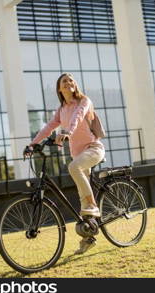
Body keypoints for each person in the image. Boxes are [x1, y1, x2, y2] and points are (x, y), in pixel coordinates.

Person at [27, 72, 105, 254]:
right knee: (81, 196)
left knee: (73, 169)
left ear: (75, 85)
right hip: (79, 156)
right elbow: (48, 128)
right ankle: (89, 236)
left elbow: (78, 117)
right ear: (60, 89)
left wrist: (68, 132)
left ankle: (93, 206)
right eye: (64, 81)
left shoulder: (84, 101)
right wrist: (32, 144)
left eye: (71, 80)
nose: (69, 82)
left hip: (94, 149)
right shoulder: (61, 109)